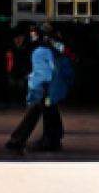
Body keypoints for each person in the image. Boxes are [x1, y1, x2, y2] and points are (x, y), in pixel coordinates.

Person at [5, 23, 63, 151]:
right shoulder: (51, 50)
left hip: (43, 86)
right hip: (49, 86)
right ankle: (52, 138)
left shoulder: (40, 51)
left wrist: (34, 88)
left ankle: (20, 139)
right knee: (48, 111)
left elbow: (42, 74)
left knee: (38, 111)